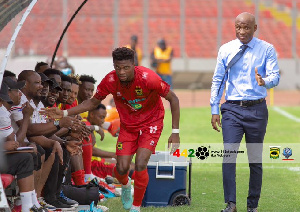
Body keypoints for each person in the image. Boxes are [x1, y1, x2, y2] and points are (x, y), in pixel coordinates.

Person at [41, 47, 180, 212]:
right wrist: (63, 112)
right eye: (117, 67)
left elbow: (173, 98)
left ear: (133, 65)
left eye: (126, 68)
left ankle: (136, 208)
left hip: (151, 123)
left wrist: (175, 132)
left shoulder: (148, 78)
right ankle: (126, 185)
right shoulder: (111, 80)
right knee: (121, 169)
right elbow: (92, 102)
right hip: (128, 126)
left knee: (141, 163)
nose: (121, 72)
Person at [210, 12, 280, 212]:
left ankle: (253, 206)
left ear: (255, 28)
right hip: (231, 109)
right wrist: (215, 108)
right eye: (238, 27)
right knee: (229, 156)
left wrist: (264, 81)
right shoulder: (226, 49)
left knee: (255, 160)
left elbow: (275, 75)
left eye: (246, 27)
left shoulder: (266, 49)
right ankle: (231, 204)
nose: (242, 31)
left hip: (257, 110)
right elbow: (218, 79)